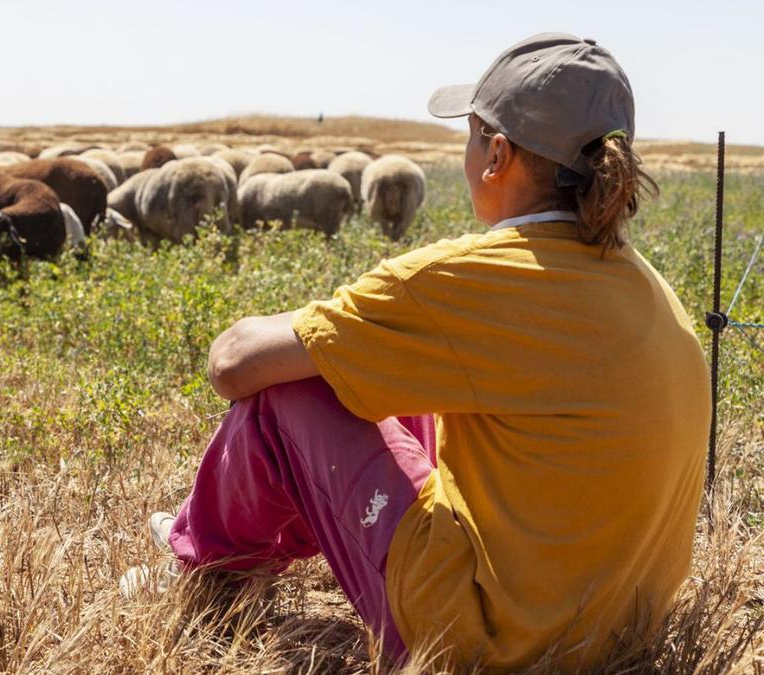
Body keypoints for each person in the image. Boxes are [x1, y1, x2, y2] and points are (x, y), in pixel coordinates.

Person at [121, 33, 711, 670]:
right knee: (409, 393)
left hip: (480, 646)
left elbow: (233, 364)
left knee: (290, 390)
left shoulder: (473, 280)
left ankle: (202, 566)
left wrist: (331, 327)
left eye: (471, 134)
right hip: (613, 636)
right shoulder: (650, 288)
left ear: (497, 156)